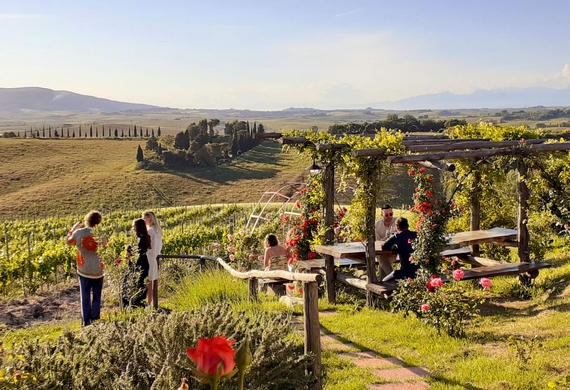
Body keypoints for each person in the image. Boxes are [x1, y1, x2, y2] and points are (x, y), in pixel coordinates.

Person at [66, 210, 105, 327]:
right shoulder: (102, 234)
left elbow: (68, 242)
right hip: (98, 269)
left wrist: (72, 230)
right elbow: (105, 248)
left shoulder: (79, 233)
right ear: (99, 222)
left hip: (84, 269)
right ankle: (95, 319)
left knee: (85, 295)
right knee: (97, 295)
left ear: (87, 219)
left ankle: (86, 321)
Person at [122, 218, 151, 308]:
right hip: (144, 264)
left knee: (127, 284)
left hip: (135, 265)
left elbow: (128, 254)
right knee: (140, 283)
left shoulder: (136, 240)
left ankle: (130, 303)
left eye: (133, 226)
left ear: (137, 227)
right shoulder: (146, 238)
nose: (132, 227)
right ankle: (137, 302)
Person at [143, 210, 162, 307]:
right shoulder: (157, 230)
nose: (144, 220)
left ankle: (148, 303)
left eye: (145, 218)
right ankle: (150, 303)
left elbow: (147, 246)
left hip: (149, 258)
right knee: (151, 281)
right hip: (154, 257)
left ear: (150, 218)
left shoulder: (150, 231)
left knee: (148, 282)